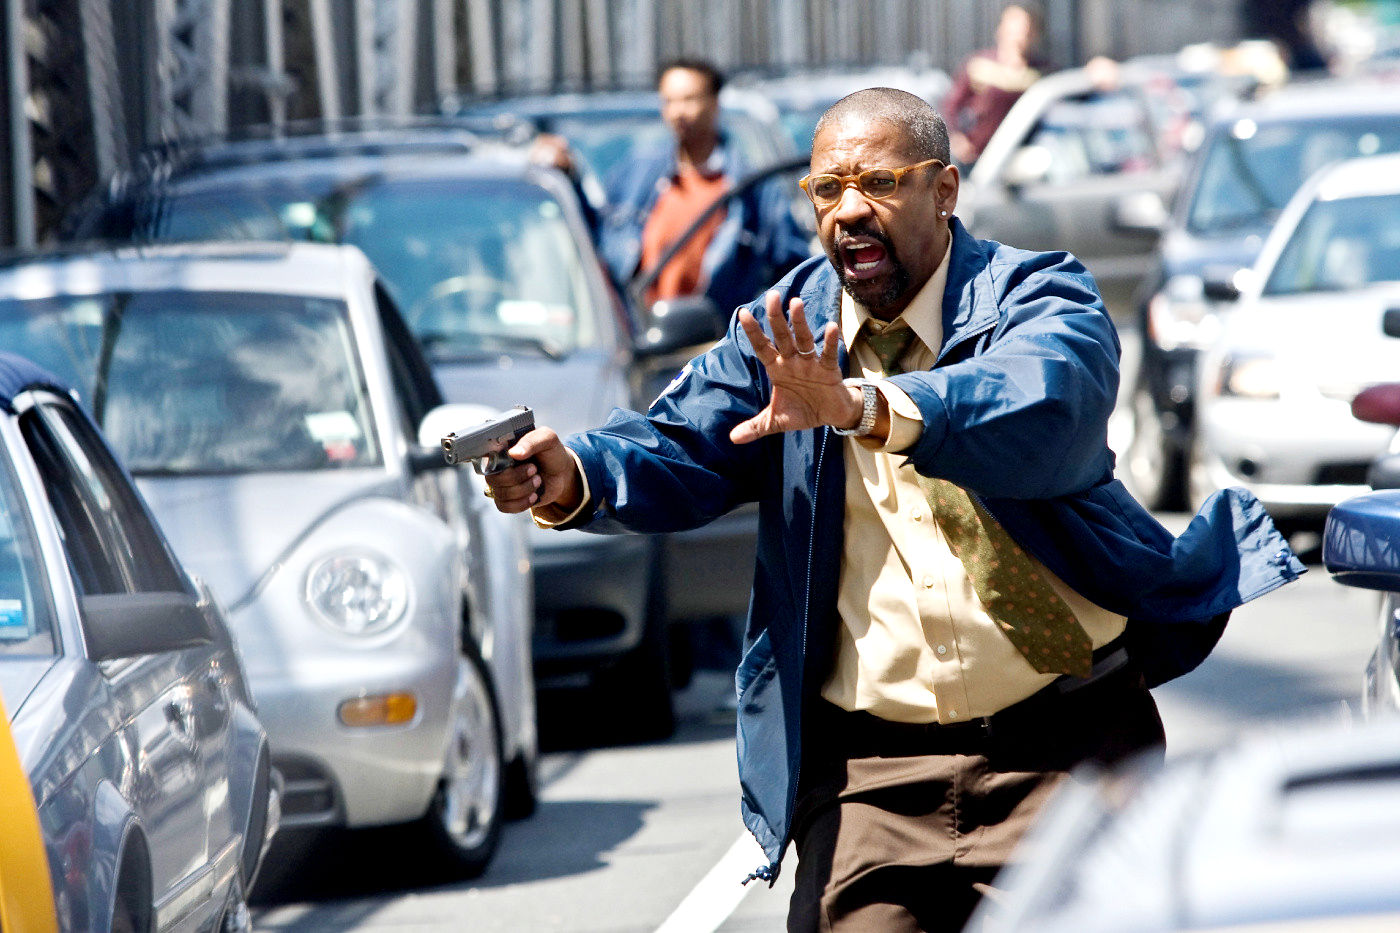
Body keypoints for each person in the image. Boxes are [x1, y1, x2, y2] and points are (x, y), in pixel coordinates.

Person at [484, 88, 1304, 931]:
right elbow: (681, 443)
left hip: (1069, 751)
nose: (848, 211)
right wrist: (573, 471)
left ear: (944, 190)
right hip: (872, 777)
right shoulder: (783, 331)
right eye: (826, 189)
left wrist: (867, 408)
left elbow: (1045, 405)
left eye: (876, 182)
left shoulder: (1039, 294)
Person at [595, 58, 811, 313]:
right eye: (669, 101)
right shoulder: (636, 173)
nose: (678, 112)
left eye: (689, 99)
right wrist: (570, 176)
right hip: (643, 334)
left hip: (717, 341)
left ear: (714, 103)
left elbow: (792, 270)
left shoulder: (751, 186)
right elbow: (594, 242)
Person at [942, 3, 1047, 166]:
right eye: (1014, 30)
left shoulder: (1042, 71)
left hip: (1023, 156)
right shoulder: (980, 65)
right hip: (979, 157)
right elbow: (951, 105)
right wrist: (956, 138)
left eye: (1026, 31)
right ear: (1001, 30)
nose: (1019, 36)